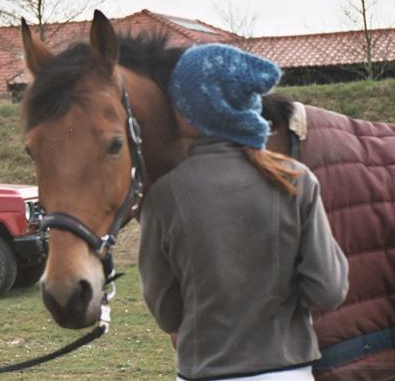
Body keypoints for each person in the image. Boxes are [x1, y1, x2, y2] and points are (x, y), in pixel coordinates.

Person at [139, 43, 349, 381]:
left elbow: (167, 313)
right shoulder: (296, 180)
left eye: (177, 100)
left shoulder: (163, 195)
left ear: (197, 111)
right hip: (288, 371)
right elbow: (328, 290)